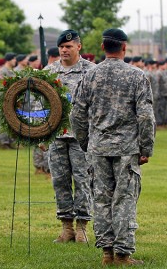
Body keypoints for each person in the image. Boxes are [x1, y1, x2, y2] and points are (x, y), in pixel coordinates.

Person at [70, 28, 155, 266]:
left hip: (98, 148)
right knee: (124, 199)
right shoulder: (137, 76)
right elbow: (146, 117)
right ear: (124, 47)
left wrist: (87, 142)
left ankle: (107, 253)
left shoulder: (90, 76)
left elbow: (76, 114)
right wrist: (146, 148)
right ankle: (123, 254)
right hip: (127, 149)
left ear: (102, 47)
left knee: (101, 198)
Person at [44, 29, 95, 244]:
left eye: (69, 46)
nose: (64, 50)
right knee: (60, 181)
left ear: (78, 47)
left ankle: (82, 227)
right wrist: (41, 134)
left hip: (81, 137)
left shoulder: (91, 71)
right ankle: (66, 227)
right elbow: (41, 103)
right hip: (56, 135)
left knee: (83, 180)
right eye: (62, 47)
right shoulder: (49, 72)